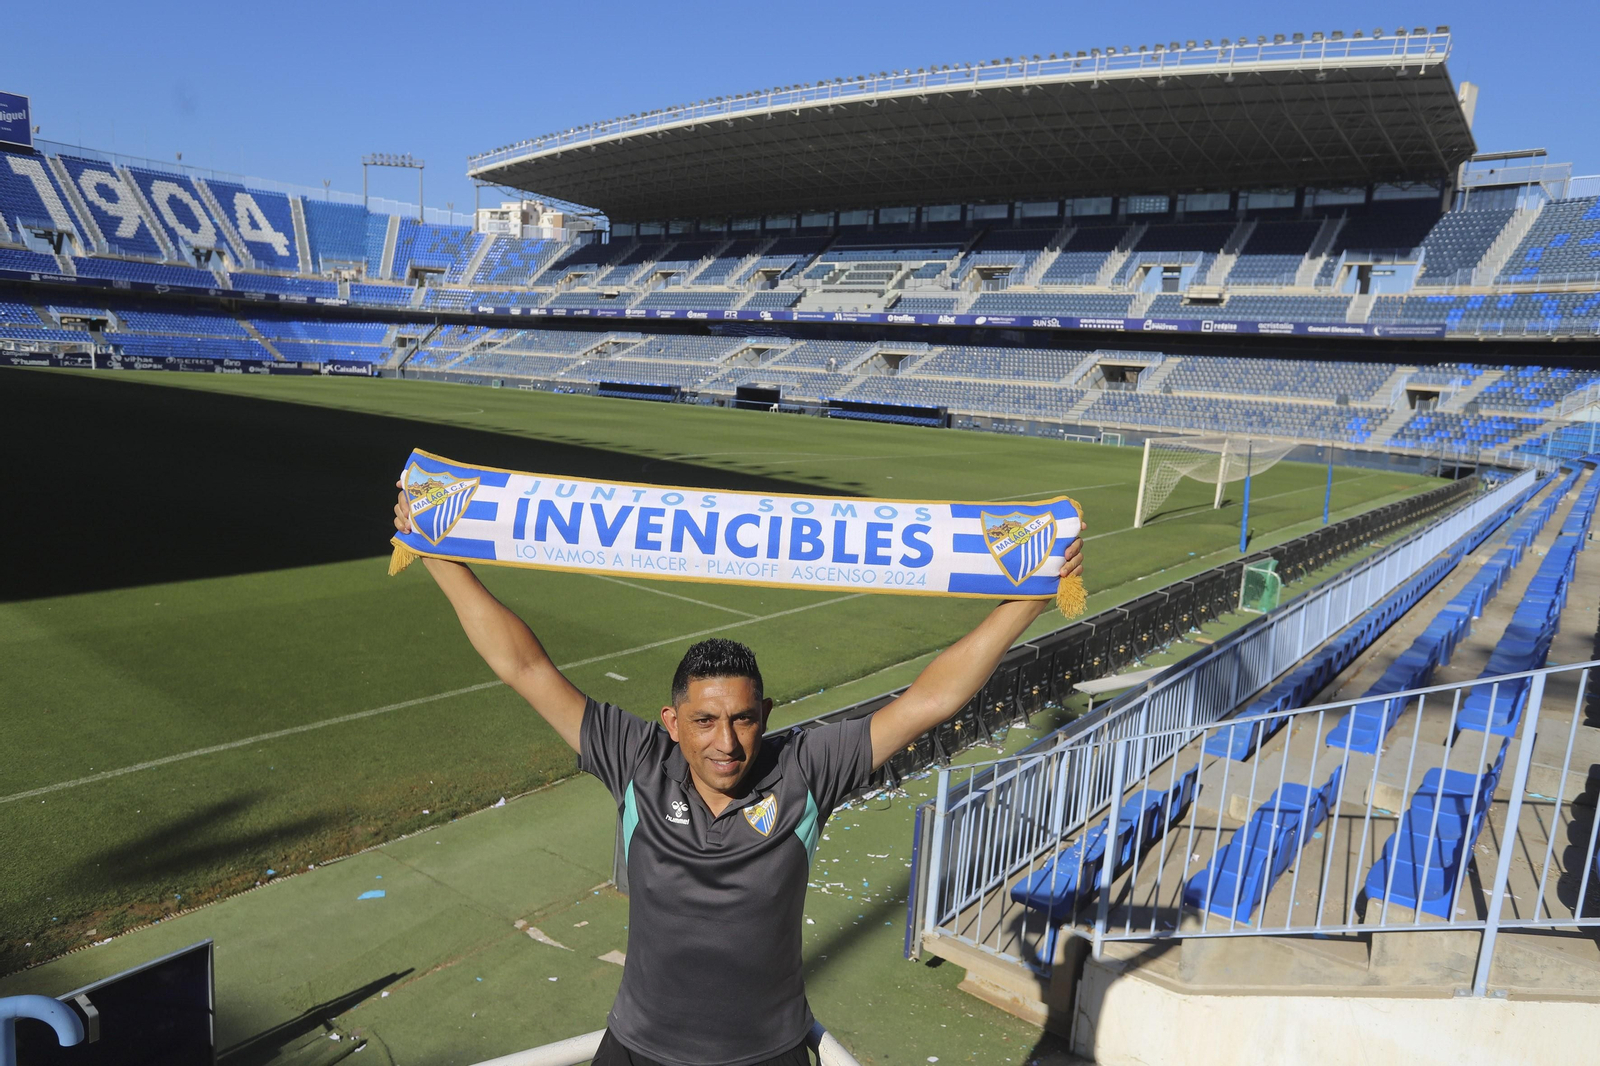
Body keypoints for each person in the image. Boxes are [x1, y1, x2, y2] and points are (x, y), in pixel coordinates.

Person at [394, 485, 1084, 1066]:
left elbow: (929, 701)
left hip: (770, 1054)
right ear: (670, 721)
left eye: (745, 720)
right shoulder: (637, 760)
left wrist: (1028, 601)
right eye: (704, 722)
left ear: (767, 715)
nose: (726, 743)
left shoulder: (807, 767)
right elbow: (526, 668)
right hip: (639, 1050)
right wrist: (437, 555)